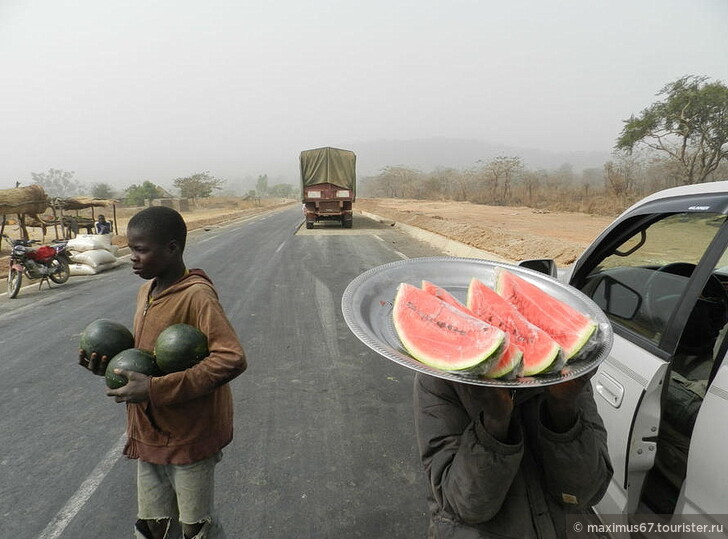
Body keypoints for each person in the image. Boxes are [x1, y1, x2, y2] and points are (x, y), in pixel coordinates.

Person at [79, 206, 247, 539]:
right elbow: (145, 357)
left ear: (172, 248)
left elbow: (231, 358)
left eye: (141, 249)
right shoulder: (147, 290)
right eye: (131, 249)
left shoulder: (197, 295)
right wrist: (110, 367)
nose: (132, 257)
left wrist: (155, 389)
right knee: (152, 524)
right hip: (150, 431)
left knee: (194, 527)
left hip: (189, 434)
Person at [414, 370, 613, 538]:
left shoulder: (567, 369)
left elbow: (585, 494)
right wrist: (495, 421)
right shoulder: (436, 379)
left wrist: (563, 407)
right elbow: (468, 506)